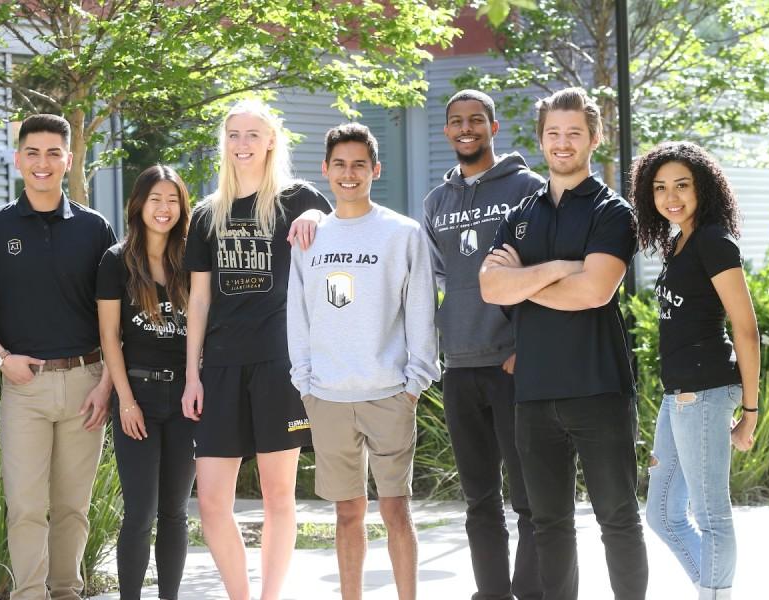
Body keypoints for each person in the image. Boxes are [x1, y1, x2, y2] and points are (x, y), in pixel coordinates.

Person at [479, 87, 648, 600]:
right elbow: (490, 287)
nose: (562, 142)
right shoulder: (522, 211)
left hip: (599, 389)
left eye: (574, 132)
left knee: (617, 518)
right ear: (541, 139)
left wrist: (524, 283)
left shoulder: (611, 212)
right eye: (553, 132)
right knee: (549, 523)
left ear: (594, 138)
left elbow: (596, 290)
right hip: (533, 393)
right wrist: (557, 270)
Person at [181, 99, 332, 600]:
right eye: (233, 135)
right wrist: (192, 375)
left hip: (279, 365)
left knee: (278, 496)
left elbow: (335, 226)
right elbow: (198, 299)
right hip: (220, 366)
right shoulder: (206, 214)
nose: (242, 144)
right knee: (211, 501)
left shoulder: (297, 199)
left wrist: (316, 215)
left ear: (271, 141)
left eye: (252, 134)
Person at [287, 122, 440, 599]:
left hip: (390, 393)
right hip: (328, 396)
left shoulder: (402, 233)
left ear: (376, 169)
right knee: (346, 513)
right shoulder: (309, 236)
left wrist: (415, 382)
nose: (348, 174)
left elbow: (420, 309)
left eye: (358, 165)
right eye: (339, 165)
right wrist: (305, 383)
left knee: (397, 511)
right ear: (325, 170)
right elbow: (299, 311)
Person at [0, 114, 117, 600]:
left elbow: (112, 316)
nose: (43, 163)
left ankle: (66, 592)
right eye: (33, 152)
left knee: (73, 507)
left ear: (69, 160)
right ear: (18, 160)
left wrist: (106, 384)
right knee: (26, 506)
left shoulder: (95, 229)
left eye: (54, 153)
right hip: (24, 386)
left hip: (85, 381)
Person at [422, 90, 545, 600]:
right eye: (456, 121)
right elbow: (428, 281)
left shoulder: (528, 188)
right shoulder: (436, 201)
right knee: (479, 500)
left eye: (476, 120)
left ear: (494, 128)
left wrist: (529, 347)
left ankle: (531, 592)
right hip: (461, 366)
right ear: (447, 131)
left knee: (531, 499)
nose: (465, 128)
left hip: (514, 365)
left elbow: (545, 272)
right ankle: (491, 593)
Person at [632, 142, 760, 599]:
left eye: (682, 185)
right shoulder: (678, 241)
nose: (671, 196)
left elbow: (745, 329)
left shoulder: (713, 240)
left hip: (705, 392)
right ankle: (712, 590)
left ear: (702, 187)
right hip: (679, 394)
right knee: (663, 513)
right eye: (661, 187)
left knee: (710, 516)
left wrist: (751, 410)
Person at [96, 165, 197, 600]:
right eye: (155, 198)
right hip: (138, 397)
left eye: (172, 199)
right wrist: (126, 401)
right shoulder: (116, 261)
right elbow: (109, 338)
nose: (164, 208)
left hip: (185, 401)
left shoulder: (193, 260)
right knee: (139, 513)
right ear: (138, 205)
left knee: (174, 512)